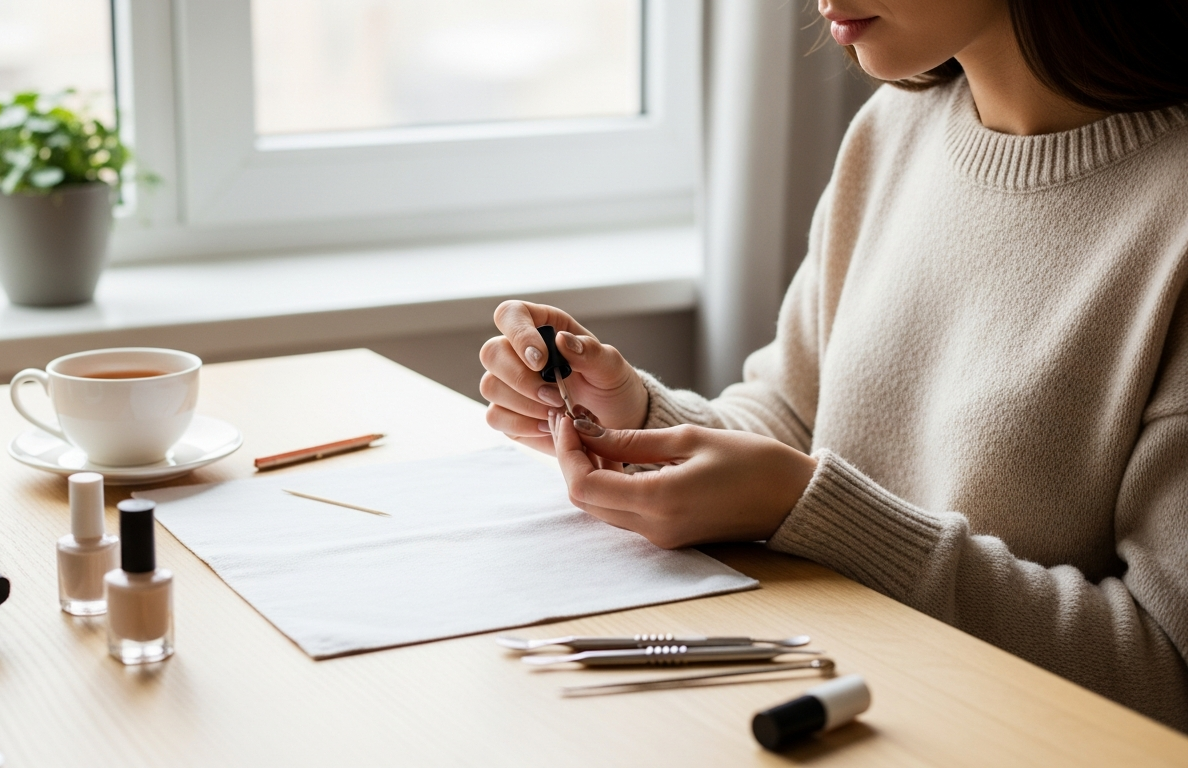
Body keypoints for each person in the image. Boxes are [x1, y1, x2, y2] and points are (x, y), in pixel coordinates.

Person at [478, 0, 1188, 730]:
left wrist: (810, 511)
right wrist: (634, 415)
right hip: (857, 711)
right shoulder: (892, 130)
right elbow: (792, 418)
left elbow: (1169, 671)